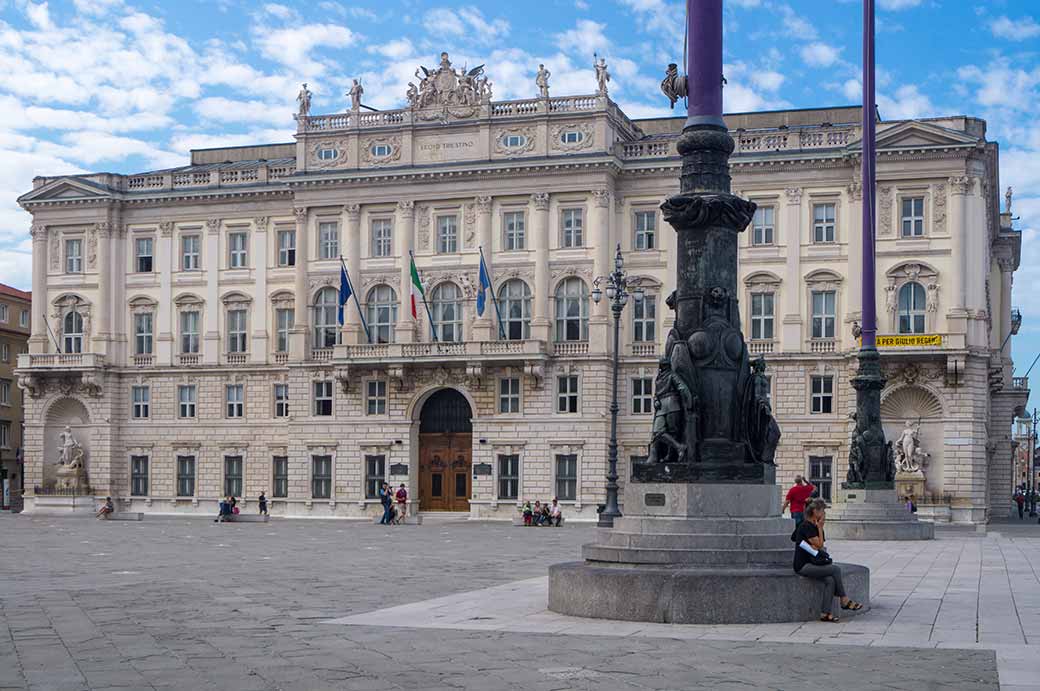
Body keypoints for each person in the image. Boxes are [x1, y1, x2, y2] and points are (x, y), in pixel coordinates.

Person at [793, 499, 863, 622]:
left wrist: (817, 536)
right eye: (822, 511)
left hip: (813, 563)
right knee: (835, 569)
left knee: (830, 580)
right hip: (803, 565)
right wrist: (820, 529)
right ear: (815, 512)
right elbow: (819, 544)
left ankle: (825, 613)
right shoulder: (806, 526)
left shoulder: (813, 526)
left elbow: (819, 545)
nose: (824, 514)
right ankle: (844, 600)